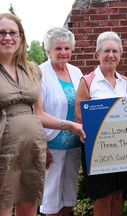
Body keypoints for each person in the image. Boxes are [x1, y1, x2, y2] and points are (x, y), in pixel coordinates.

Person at [0, 12, 85, 216]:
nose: (8, 37)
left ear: (21, 37)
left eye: (13, 32)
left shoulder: (30, 70)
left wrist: (72, 126)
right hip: (5, 148)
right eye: (2, 33)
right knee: (3, 204)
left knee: (30, 204)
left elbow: (38, 113)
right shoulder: (40, 70)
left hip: (32, 148)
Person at [75, 31, 127, 216]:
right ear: (97, 54)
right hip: (98, 149)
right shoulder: (88, 81)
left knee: (118, 194)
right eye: (106, 51)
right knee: (103, 196)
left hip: (123, 148)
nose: (111, 55)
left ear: (121, 55)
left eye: (115, 51)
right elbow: (79, 118)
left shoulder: (126, 82)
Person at [39, 27, 83, 216]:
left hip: (73, 147)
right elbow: (36, 113)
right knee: (51, 203)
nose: (63, 52)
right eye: (58, 48)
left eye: (67, 48)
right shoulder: (40, 73)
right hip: (52, 147)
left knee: (68, 199)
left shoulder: (76, 71)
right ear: (48, 51)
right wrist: (42, 146)